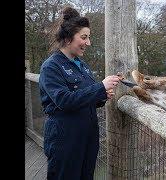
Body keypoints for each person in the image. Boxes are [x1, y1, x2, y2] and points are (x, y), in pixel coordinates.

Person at [38, 7, 121, 180]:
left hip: (88, 136)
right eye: (84, 37)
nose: (88, 43)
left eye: (88, 37)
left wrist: (103, 95)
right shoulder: (51, 67)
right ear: (68, 38)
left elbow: (87, 97)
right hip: (65, 139)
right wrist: (100, 87)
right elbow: (64, 100)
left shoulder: (81, 65)